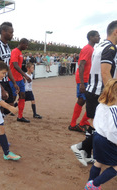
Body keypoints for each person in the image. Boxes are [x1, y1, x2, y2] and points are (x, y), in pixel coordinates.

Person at [71, 21, 117, 167]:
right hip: (100, 92)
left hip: (94, 91)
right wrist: (112, 95)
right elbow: (105, 73)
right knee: (103, 127)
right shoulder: (110, 48)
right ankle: (84, 149)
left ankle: (85, 150)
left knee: (95, 125)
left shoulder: (100, 45)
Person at [0, 22, 19, 144]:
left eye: (12, 32)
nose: (12, 34)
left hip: (6, 82)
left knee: (10, 104)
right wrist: (0, 87)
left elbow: (7, 67)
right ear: (3, 32)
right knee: (0, 109)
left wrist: (14, 82)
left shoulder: (7, 47)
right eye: (10, 32)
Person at [84, 79, 117, 189]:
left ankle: (90, 184)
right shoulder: (114, 108)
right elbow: (113, 131)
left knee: (98, 162)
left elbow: (96, 121)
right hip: (107, 140)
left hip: (97, 136)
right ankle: (94, 184)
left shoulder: (101, 105)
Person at [68, 30, 100, 132]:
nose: (99, 37)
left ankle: (82, 122)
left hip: (87, 79)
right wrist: (81, 83)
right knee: (83, 100)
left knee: (89, 100)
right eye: (97, 36)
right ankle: (73, 124)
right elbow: (81, 65)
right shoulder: (87, 49)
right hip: (84, 79)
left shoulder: (91, 49)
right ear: (91, 37)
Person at [9, 38, 31, 123]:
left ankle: (20, 116)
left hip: (20, 79)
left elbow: (19, 66)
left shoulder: (20, 52)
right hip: (13, 79)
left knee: (22, 96)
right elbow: (15, 65)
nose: (27, 46)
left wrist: (22, 77)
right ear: (22, 43)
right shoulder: (15, 51)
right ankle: (0, 115)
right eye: (26, 45)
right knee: (12, 99)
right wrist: (25, 75)